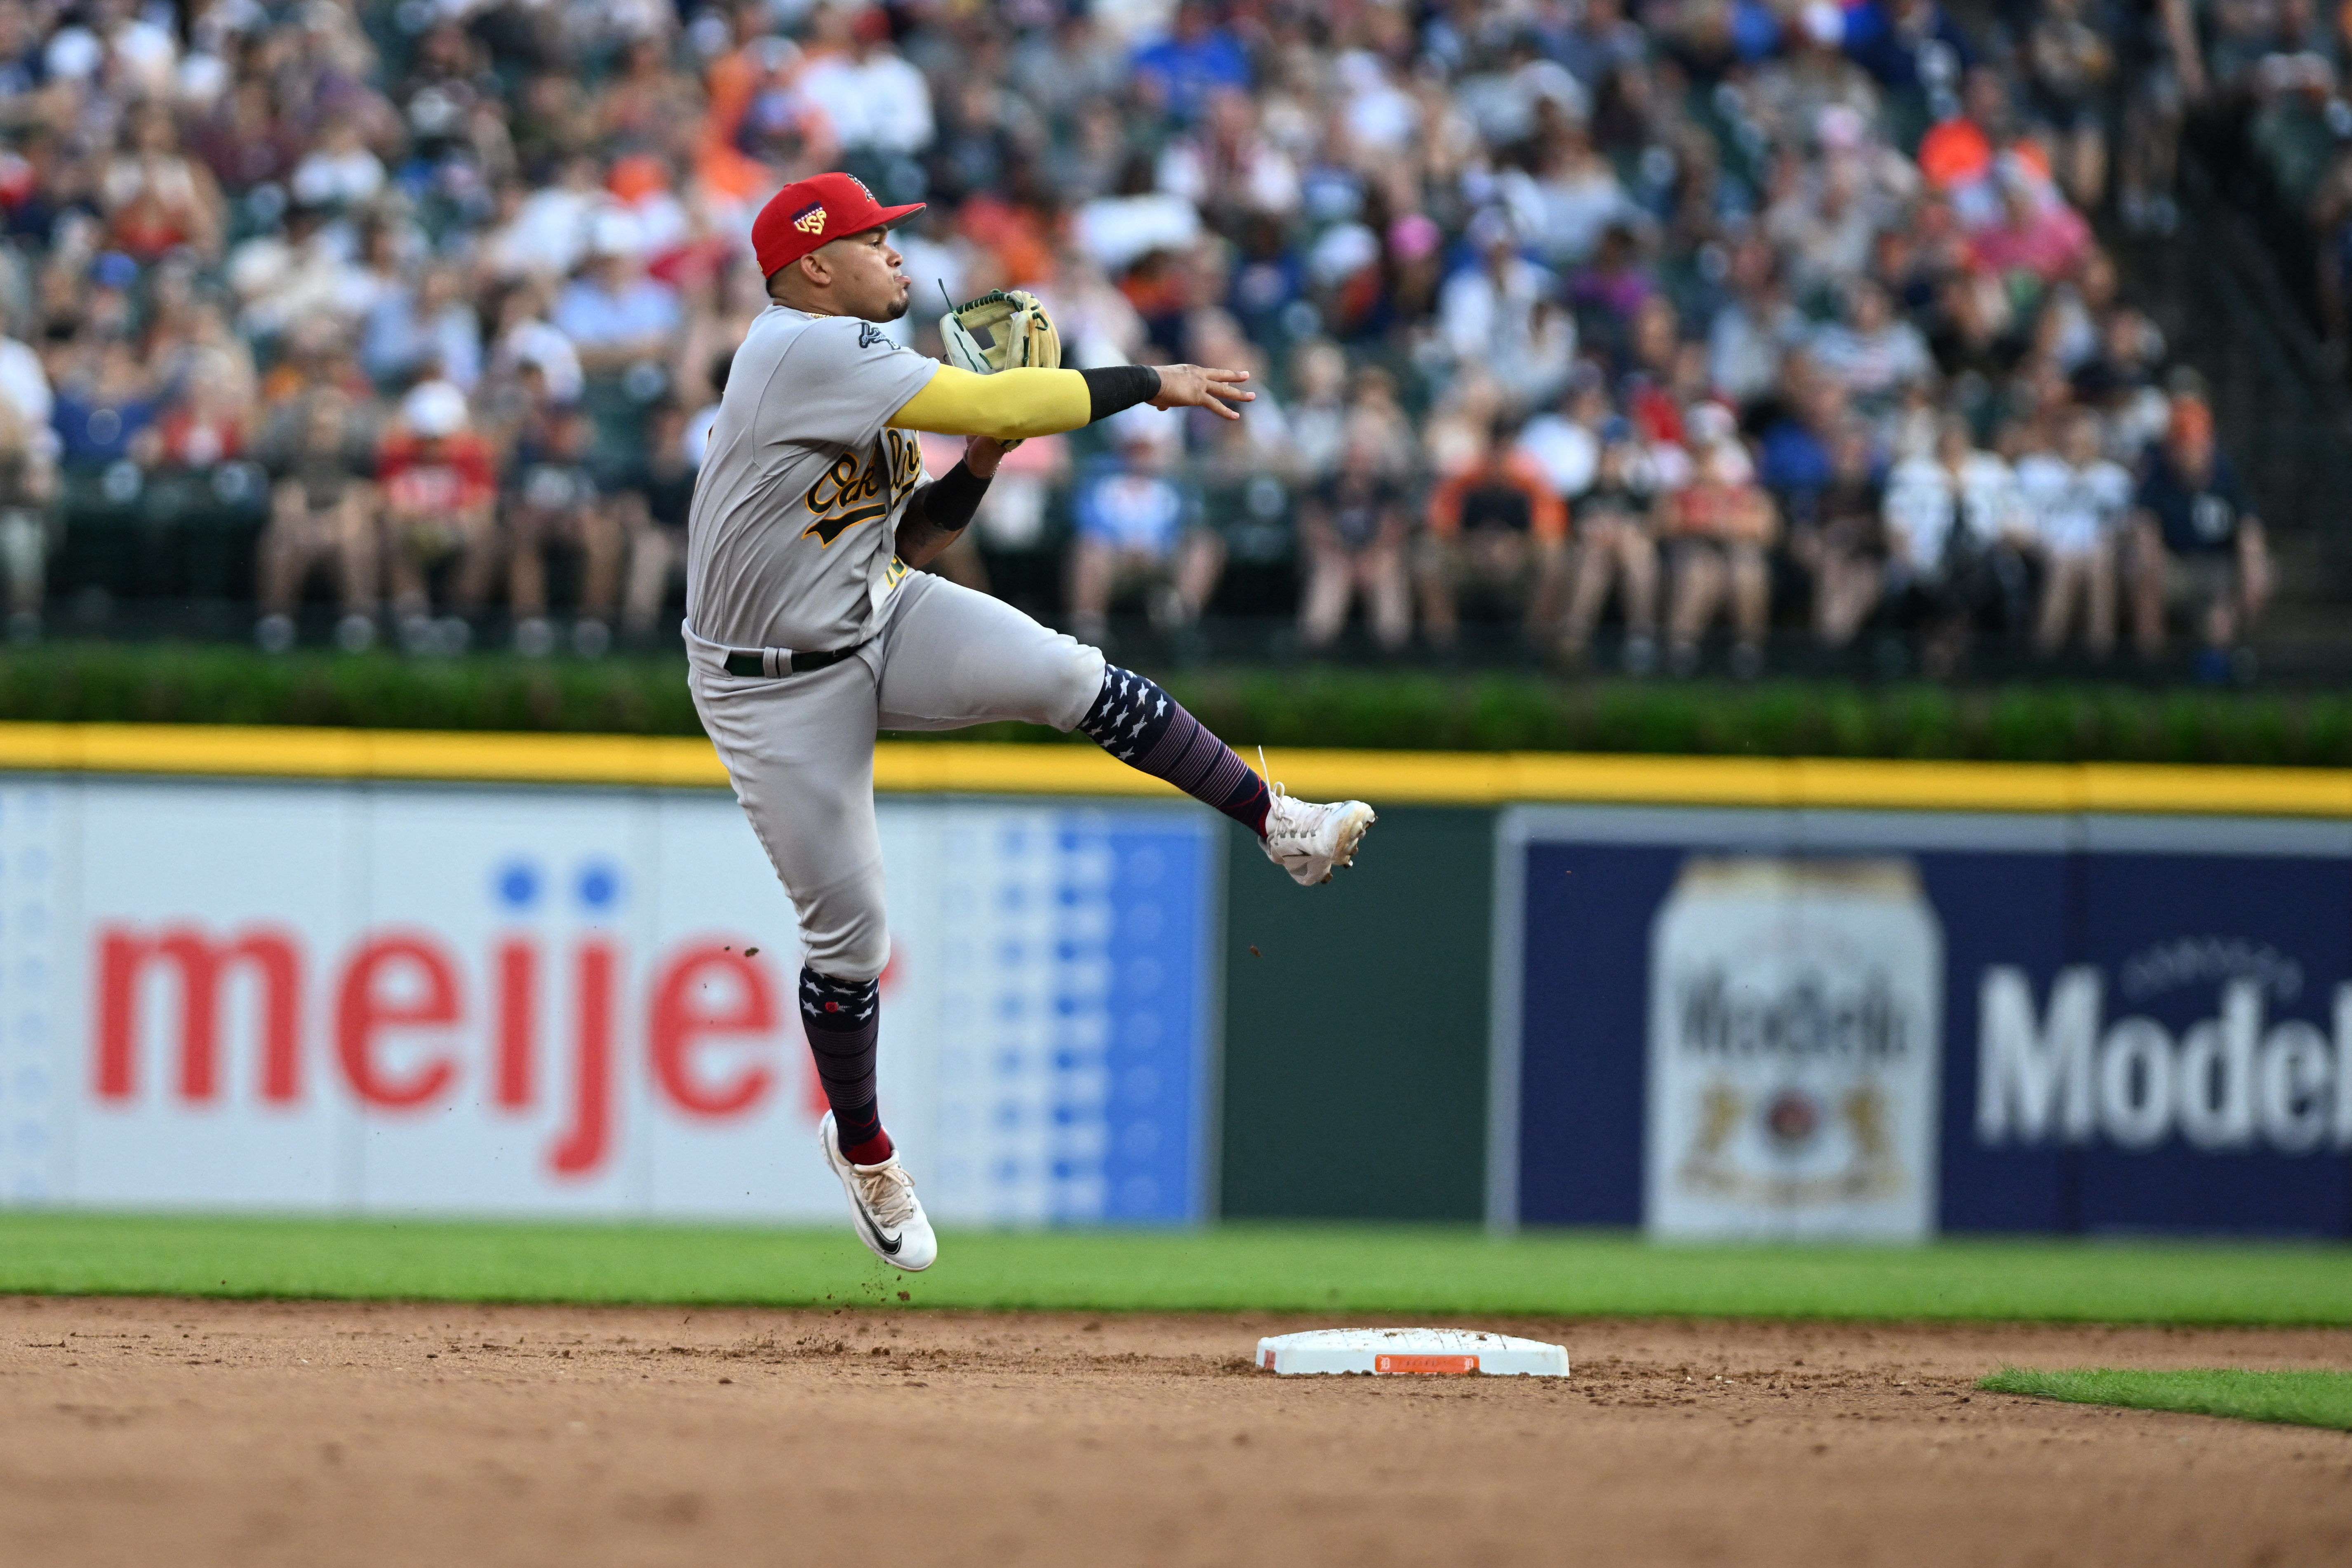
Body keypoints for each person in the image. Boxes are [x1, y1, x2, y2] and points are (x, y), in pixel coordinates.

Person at [683, 174, 1376, 1273]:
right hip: (769, 684)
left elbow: (914, 542)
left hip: (877, 608)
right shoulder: (796, 349)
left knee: (1066, 672)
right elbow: (1006, 398)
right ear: (816, 265)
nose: (901, 258)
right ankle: (862, 1148)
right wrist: (1149, 382)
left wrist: (985, 466)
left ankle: (1276, 822)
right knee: (854, 934)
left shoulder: (865, 367)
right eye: (875, 242)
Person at [2129, 396, 2269, 679]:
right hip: (2176, 565)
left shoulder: (2227, 478)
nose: (2191, 452)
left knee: (2250, 584)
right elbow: (2146, 528)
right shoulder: (2158, 481)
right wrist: (2150, 563)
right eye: (2183, 445)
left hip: (2220, 567)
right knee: (2143, 574)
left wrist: (2253, 565)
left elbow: (2249, 527)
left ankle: (2224, 669)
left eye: (2196, 444)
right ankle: (2151, 671)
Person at [377, 379, 500, 652]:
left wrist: (452, 520)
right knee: (392, 532)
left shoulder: (473, 455)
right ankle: (413, 619)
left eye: (440, 438)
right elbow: (390, 502)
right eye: (426, 438)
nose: (433, 446)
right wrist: (419, 519)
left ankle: (459, 619)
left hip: (455, 528)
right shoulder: (398, 453)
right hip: (414, 529)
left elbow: (483, 504)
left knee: (485, 536)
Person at [254, 390, 377, 653]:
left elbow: (363, 499)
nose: (323, 434)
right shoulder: (288, 461)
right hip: (300, 529)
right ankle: (277, 622)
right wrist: (307, 527)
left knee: (356, 541)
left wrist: (334, 526)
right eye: (317, 428)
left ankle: (358, 623)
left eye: (330, 428)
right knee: (280, 539)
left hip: (343, 528)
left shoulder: (356, 459)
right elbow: (284, 501)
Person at [1659, 407, 1778, 677]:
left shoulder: (1741, 470)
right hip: (1691, 549)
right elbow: (1664, 523)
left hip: (1735, 548)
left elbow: (1767, 528)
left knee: (1746, 570)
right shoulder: (1677, 472)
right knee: (1700, 572)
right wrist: (1707, 521)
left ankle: (1748, 654)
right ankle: (1680, 654)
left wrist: (1726, 523)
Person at [2017, 409, 2131, 658]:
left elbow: (2124, 529)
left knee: (2098, 564)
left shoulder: (2114, 479)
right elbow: (2018, 523)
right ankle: (2045, 659)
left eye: (2084, 440)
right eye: (2072, 438)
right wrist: (2042, 546)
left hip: (2100, 557)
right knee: (2065, 563)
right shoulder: (2035, 471)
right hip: (2046, 553)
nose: (2077, 445)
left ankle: (2098, 660)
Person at [1296, 428, 1412, 652]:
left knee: (1388, 566)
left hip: (1375, 557)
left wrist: (1367, 557)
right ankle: (1316, 650)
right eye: (1353, 458)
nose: (1357, 464)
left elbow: (1395, 528)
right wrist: (1346, 556)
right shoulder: (1326, 486)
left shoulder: (1386, 488)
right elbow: (1313, 526)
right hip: (1336, 556)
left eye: (1363, 458)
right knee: (1331, 570)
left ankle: (1393, 651)